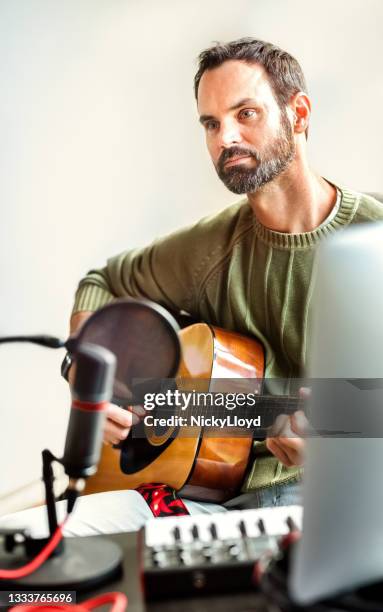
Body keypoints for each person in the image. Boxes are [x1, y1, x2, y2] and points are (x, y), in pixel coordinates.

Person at [2, 38, 382, 538]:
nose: (226, 137)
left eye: (246, 113)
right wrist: (92, 383)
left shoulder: (373, 237)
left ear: (300, 113)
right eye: (211, 123)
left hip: (340, 499)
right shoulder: (210, 247)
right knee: (24, 544)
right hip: (204, 504)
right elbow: (102, 283)